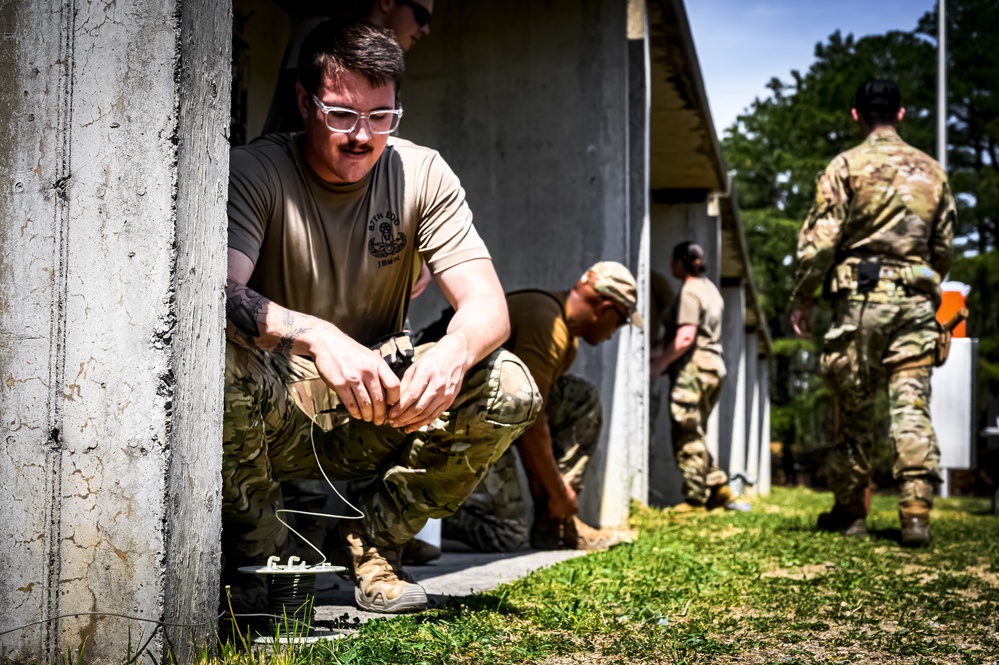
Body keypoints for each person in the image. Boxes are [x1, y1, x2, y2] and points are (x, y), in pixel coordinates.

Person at [222, 19, 541, 614]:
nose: (362, 136)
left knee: (507, 384)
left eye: (381, 116)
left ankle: (373, 544)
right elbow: (221, 293)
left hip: (382, 406)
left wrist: (452, 354)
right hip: (277, 409)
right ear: (304, 102)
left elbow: (488, 306)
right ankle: (265, 567)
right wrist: (319, 336)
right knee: (215, 363)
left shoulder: (422, 172)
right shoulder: (255, 172)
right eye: (342, 115)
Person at [790, 79, 955, 547]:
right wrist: (922, 281)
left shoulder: (845, 166)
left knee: (854, 407)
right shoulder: (933, 172)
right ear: (900, 114)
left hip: (861, 302)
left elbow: (821, 243)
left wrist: (803, 296)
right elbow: (943, 248)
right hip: (915, 303)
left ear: (856, 115)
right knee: (911, 405)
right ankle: (916, 512)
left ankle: (850, 511)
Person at [434, 262, 642, 552]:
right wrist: (558, 492)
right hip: (451, 418)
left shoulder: (564, 333)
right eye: (620, 322)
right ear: (605, 308)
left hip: (488, 415)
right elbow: (530, 422)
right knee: (508, 533)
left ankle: (556, 526)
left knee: (579, 398)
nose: (613, 333)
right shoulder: (547, 324)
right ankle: (413, 516)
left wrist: (546, 486)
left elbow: (525, 417)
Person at [650, 242, 740, 513]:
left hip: (694, 368)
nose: (670, 266)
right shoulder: (711, 289)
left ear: (681, 262)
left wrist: (660, 364)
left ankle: (694, 499)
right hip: (714, 367)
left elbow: (686, 337)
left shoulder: (689, 291)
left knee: (685, 431)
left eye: (673, 260)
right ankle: (717, 487)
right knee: (696, 430)